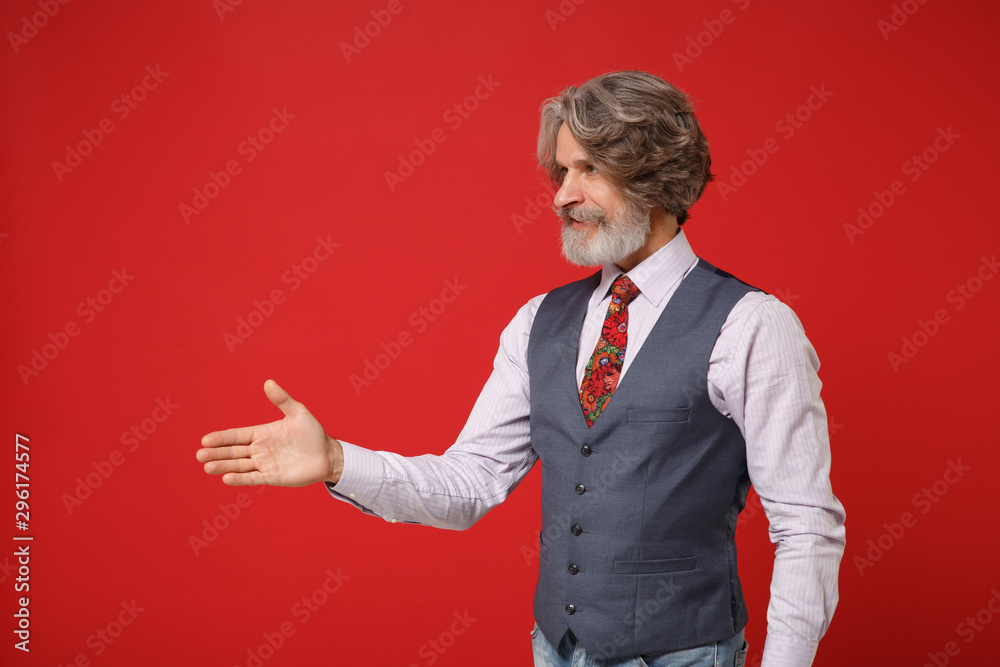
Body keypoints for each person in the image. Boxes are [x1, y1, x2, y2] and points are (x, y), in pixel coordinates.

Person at [197, 70, 846, 667]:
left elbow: (806, 526)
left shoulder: (752, 325)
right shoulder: (539, 321)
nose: (563, 196)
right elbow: (470, 482)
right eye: (561, 171)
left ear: (654, 175)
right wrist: (338, 460)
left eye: (588, 169)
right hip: (554, 651)